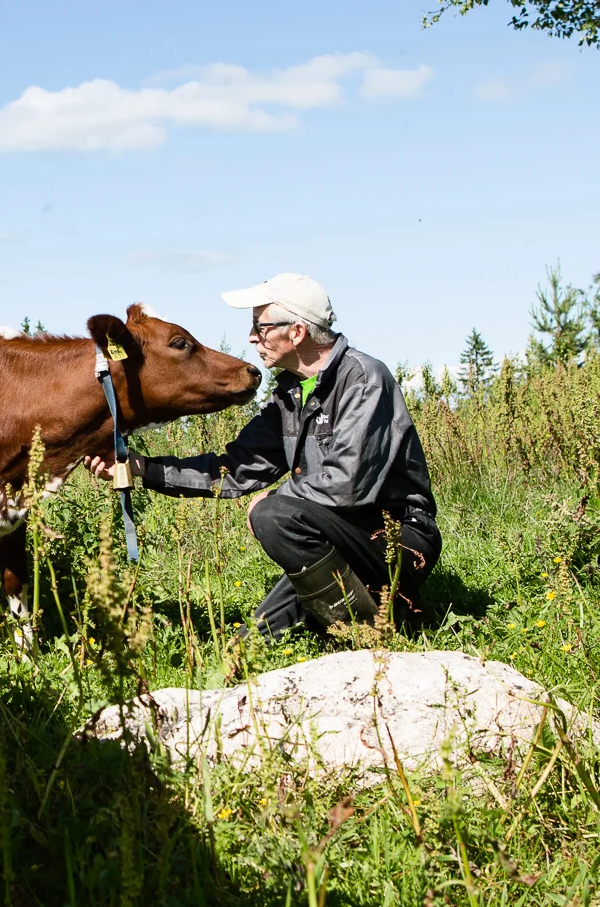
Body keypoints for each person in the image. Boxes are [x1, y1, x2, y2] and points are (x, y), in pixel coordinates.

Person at [88, 273, 440, 637]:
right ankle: (367, 614)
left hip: (396, 537)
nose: (253, 337)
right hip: (335, 538)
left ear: (297, 332)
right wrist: (143, 468)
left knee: (274, 515)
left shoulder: (364, 380)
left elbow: (346, 485)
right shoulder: (290, 396)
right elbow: (235, 469)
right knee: (247, 646)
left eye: (261, 326)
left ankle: (370, 630)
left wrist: (273, 501)